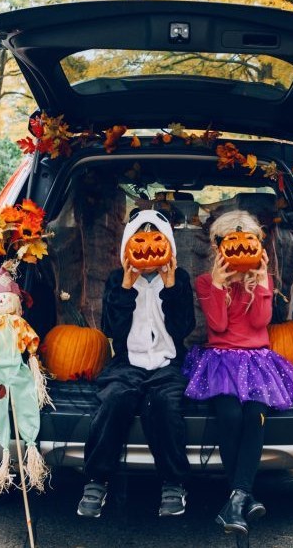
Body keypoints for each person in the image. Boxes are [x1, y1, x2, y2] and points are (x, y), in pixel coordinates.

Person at [183, 210, 293, 535]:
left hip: (257, 362)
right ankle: (243, 495)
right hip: (221, 362)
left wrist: (263, 279)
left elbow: (259, 322)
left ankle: (237, 498)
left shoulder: (263, 281)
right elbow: (218, 325)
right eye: (231, 241)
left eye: (249, 241)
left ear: (258, 245)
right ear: (218, 246)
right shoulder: (205, 282)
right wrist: (218, 284)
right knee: (230, 416)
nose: (241, 246)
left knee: (255, 416)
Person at [78, 209, 196, 518]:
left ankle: (173, 482)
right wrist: (126, 289)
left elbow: (183, 328)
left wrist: (171, 288)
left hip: (168, 362)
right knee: (114, 399)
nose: (148, 248)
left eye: (156, 240)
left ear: (168, 244)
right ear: (127, 245)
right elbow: (113, 331)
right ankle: (97, 479)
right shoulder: (117, 280)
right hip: (127, 362)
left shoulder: (180, 279)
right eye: (139, 241)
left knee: (165, 404)